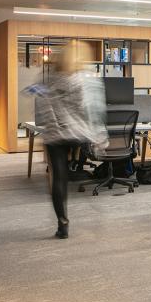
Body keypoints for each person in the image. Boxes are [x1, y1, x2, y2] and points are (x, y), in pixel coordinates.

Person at [35, 41, 108, 239]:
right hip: (78, 133)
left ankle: (63, 223)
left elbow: (43, 105)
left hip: (56, 134)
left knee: (59, 177)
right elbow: (92, 109)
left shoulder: (48, 78)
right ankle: (79, 167)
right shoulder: (85, 79)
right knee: (75, 160)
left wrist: (56, 125)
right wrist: (99, 135)